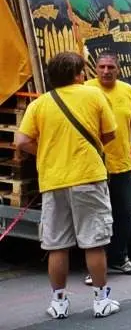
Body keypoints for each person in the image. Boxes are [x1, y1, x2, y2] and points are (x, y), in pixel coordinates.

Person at [14, 52, 122, 319]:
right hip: (88, 177)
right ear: (76, 74)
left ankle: (59, 303)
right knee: (94, 242)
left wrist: (46, 152)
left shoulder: (39, 104)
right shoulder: (94, 96)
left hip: (53, 180)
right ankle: (100, 300)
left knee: (57, 245)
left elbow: (21, 140)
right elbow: (110, 134)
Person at [81, 52, 131, 286]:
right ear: (95, 69)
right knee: (96, 219)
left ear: (118, 69)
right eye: (102, 66)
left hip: (122, 165)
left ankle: (120, 258)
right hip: (93, 168)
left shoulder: (128, 91)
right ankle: (95, 267)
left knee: (123, 215)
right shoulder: (85, 90)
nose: (106, 71)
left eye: (111, 66)